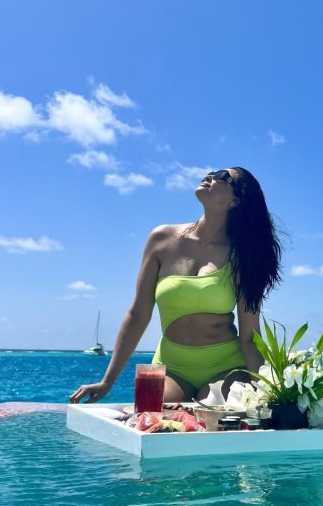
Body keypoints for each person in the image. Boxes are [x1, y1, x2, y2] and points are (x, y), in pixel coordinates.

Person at [70, 167, 283, 405]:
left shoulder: (243, 256)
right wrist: (107, 381)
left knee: (213, 417)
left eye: (223, 176)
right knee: (151, 416)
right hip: (170, 366)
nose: (211, 176)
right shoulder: (161, 239)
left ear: (235, 200)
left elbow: (249, 337)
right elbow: (138, 314)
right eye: (212, 171)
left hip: (226, 367)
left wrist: (272, 391)